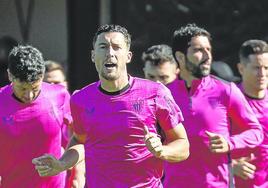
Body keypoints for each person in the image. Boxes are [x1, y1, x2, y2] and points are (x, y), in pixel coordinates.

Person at [32, 24, 189, 187]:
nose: (110, 53)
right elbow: (80, 141)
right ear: (93, 55)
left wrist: (162, 151)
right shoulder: (80, 99)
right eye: (103, 47)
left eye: (116, 47)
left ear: (128, 56)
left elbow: (183, 144)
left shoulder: (155, 93)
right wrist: (62, 164)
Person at [164, 23, 263, 188]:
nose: (207, 55)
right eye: (198, 50)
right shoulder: (163, 95)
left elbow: (255, 132)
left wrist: (230, 143)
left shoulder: (226, 91)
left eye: (208, 49)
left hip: (215, 185)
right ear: (180, 57)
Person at [0, 45, 72, 187]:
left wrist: (77, 176)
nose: (29, 95)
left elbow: (77, 140)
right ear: (10, 75)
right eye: (22, 88)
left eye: (34, 88)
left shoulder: (60, 95)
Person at [44, 60, 86, 188]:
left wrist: (77, 176)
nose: (53, 87)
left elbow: (83, 144)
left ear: (66, 84)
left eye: (56, 83)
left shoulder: (77, 106)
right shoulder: (36, 115)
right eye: (47, 83)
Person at [232, 39, 268, 188]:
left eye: (266, 68)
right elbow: (202, 143)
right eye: (257, 68)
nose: (263, 74)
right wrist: (230, 166)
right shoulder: (227, 100)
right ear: (241, 69)